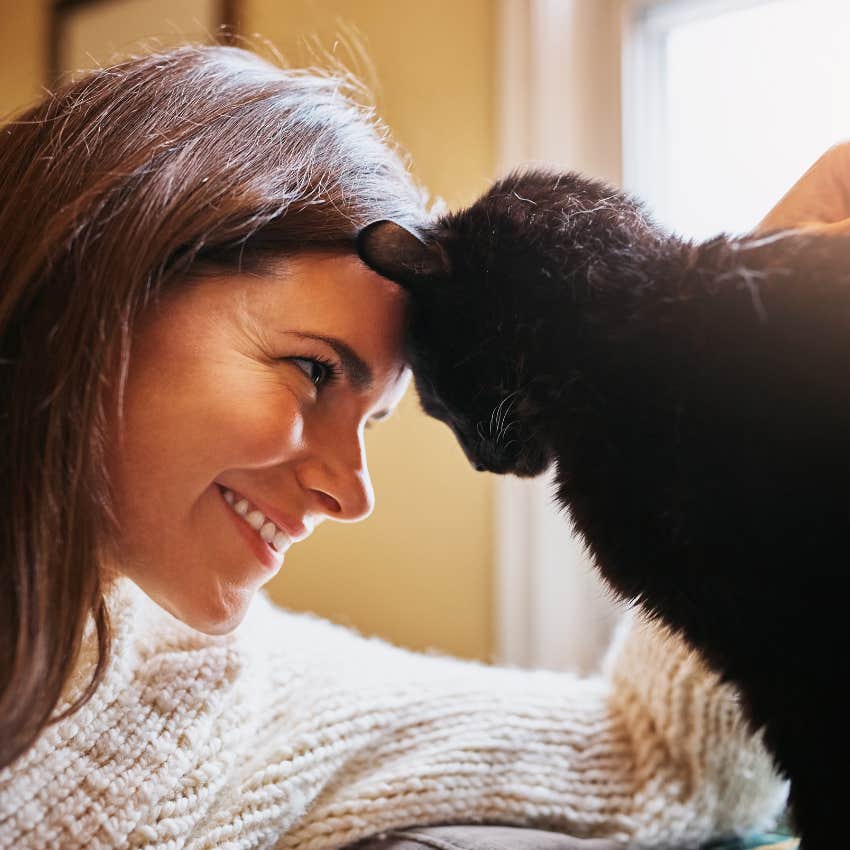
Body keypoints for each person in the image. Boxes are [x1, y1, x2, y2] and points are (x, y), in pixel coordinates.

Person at [0, 43, 820, 850]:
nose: (350, 496)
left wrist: (738, 379)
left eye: (373, 421)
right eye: (314, 370)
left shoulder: (227, 692)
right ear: (103, 273)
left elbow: (658, 760)